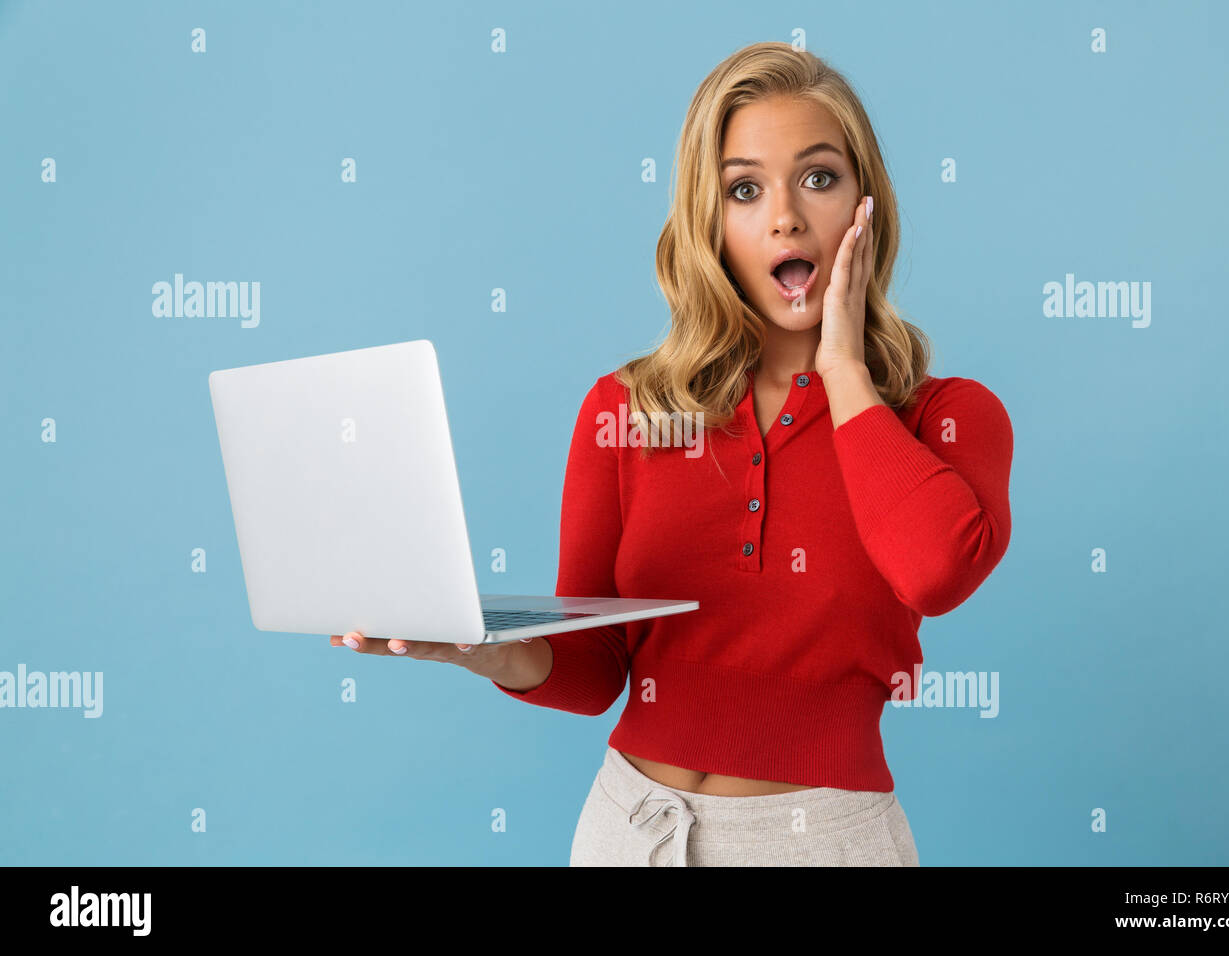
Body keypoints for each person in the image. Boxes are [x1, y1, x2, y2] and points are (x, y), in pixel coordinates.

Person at [331, 40, 1013, 867]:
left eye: (820, 177)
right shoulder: (627, 411)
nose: (786, 216)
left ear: (868, 208)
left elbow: (936, 574)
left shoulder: (945, 417)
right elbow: (595, 666)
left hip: (821, 843)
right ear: (709, 221)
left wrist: (843, 371)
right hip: (630, 828)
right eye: (745, 188)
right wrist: (483, 649)